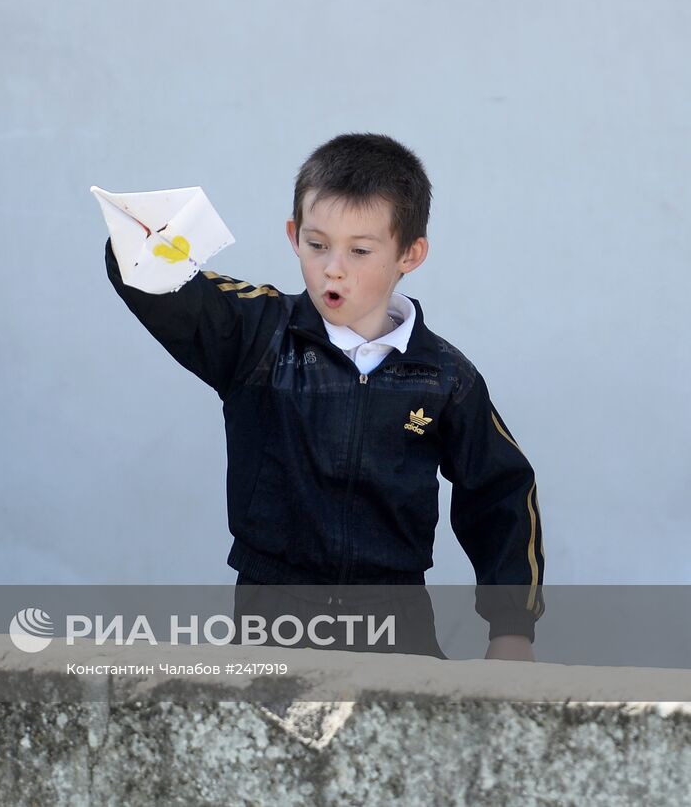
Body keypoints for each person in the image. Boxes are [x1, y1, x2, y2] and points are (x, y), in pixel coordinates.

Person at [105, 133, 544, 660]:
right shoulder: (258, 334)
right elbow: (164, 289)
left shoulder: (444, 375)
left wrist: (511, 630)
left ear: (410, 253)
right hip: (273, 614)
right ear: (293, 236)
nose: (333, 267)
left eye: (360, 250)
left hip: (395, 616)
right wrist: (142, 236)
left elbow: (501, 492)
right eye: (317, 245)